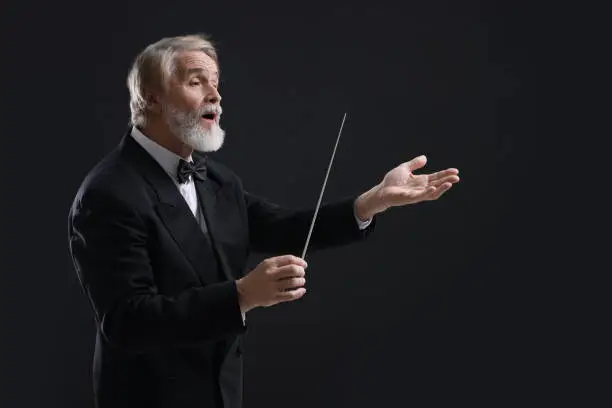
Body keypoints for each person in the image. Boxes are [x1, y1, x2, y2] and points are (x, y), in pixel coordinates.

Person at [67, 34, 460, 408]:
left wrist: (373, 202)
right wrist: (242, 296)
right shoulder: (109, 194)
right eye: (195, 81)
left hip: (220, 394)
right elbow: (128, 321)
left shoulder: (217, 179)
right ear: (151, 98)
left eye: (217, 83)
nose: (215, 95)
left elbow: (286, 228)